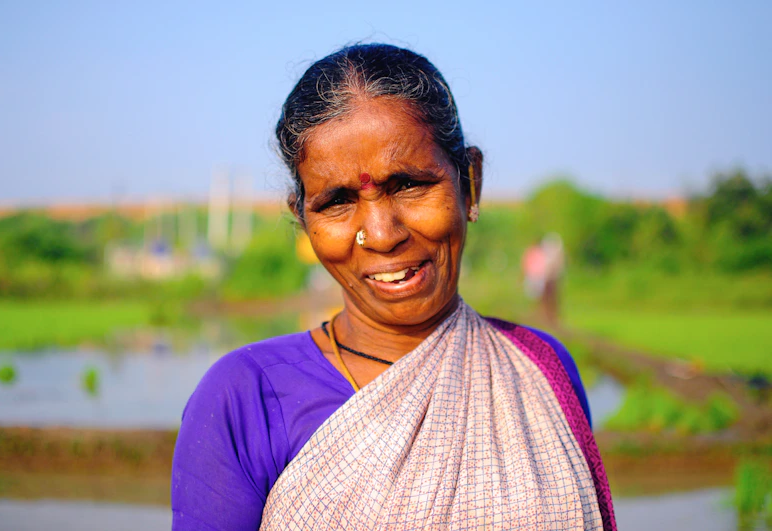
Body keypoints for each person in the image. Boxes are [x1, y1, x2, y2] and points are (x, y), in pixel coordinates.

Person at [171, 43, 616, 530]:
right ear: (302, 219)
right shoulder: (246, 397)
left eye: (407, 184)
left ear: (471, 182)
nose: (381, 234)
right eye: (338, 201)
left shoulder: (539, 372)